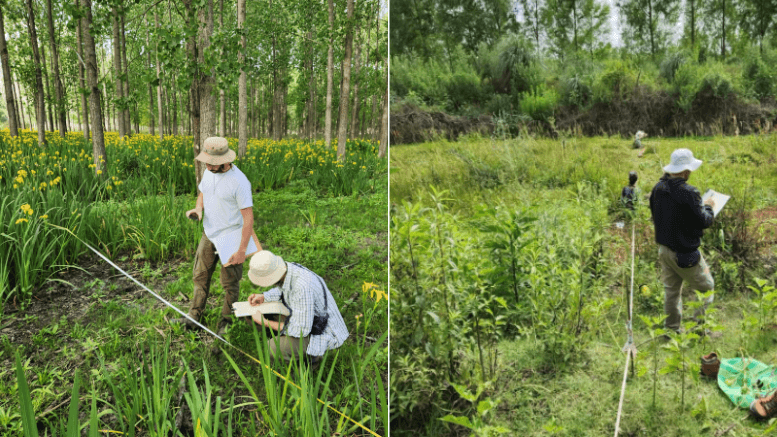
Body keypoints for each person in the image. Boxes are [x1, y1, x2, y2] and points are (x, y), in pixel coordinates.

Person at [171, 136, 261, 336]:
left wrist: (241, 251)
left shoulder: (239, 182)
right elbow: (203, 192)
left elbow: (248, 219)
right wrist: (198, 209)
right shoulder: (208, 171)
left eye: (213, 163)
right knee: (199, 276)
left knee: (230, 283)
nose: (209, 166)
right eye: (207, 162)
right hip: (209, 233)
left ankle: (226, 323)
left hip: (231, 236)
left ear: (225, 161)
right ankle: (194, 317)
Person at [649, 148, 716, 335]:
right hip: (685, 253)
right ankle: (700, 329)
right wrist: (709, 207)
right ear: (686, 171)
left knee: (671, 292)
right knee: (707, 288)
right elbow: (704, 221)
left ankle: (671, 330)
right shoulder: (690, 192)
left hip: (664, 250)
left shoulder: (658, 189)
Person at [246, 250, 349, 365]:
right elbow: (284, 289)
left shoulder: (302, 287)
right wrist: (264, 297)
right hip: (308, 320)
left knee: (272, 349)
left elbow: (300, 330)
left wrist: (264, 322)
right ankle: (287, 344)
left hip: (321, 331)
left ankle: (310, 360)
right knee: (253, 314)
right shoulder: (288, 270)